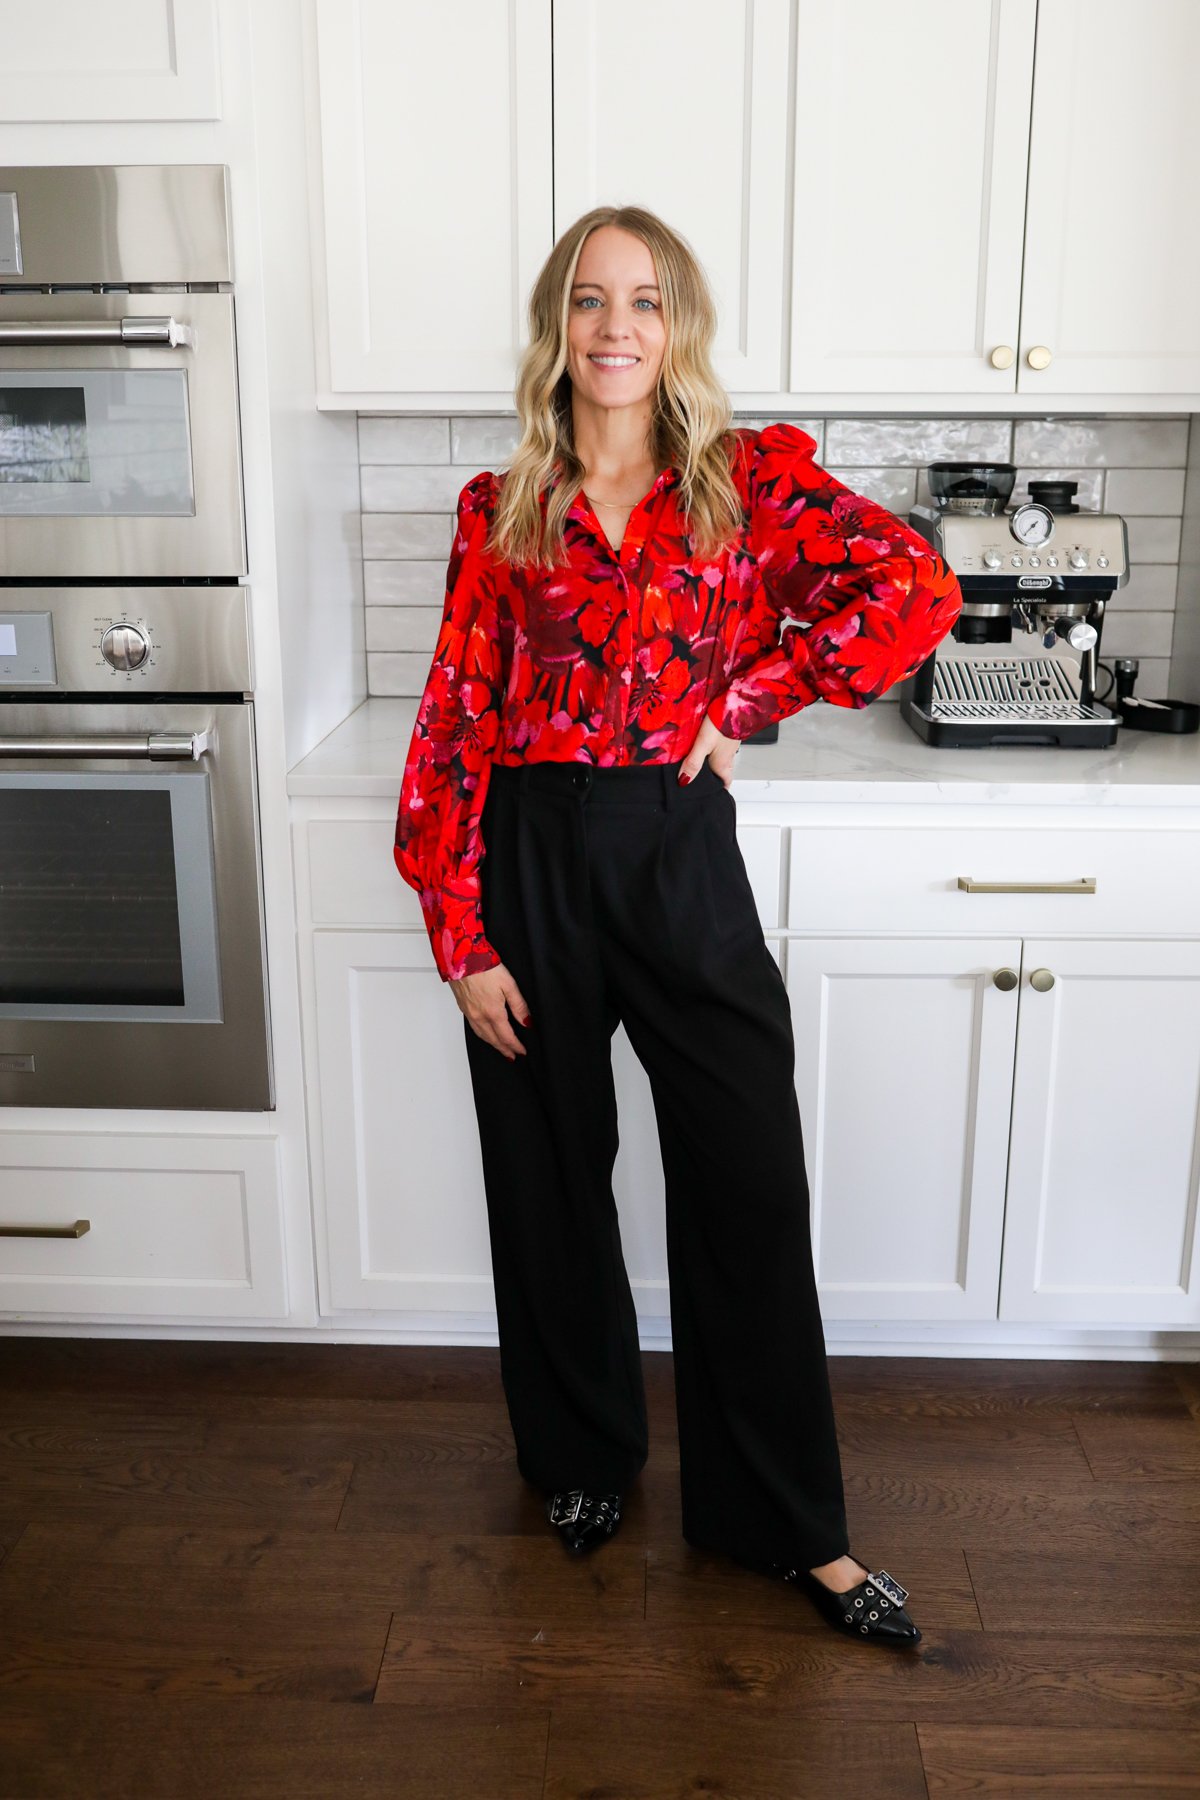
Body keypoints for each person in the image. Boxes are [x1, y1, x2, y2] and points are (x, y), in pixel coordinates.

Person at [395, 204, 963, 1649]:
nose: (616, 329)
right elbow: (453, 725)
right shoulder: (502, 506)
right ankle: (583, 1460)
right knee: (549, 1177)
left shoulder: (744, 487)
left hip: (673, 850)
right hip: (527, 855)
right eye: (590, 302)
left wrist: (749, 701)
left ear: (679, 327)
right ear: (558, 325)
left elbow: (916, 590)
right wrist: (462, 937)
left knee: (749, 1183)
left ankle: (787, 1528)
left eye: (645, 303)